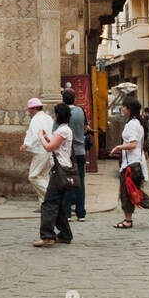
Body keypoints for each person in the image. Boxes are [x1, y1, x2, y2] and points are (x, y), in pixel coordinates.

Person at [112, 96, 149, 230]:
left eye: (124, 107)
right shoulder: (135, 123)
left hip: (131, 164)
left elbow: (133, 144)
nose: (122, 109)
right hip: (134, 162)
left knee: (132, 191)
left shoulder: (132, 124)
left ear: (129, 109)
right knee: (129, 192)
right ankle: (128, 220)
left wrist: (118, 147)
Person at [34, 101, 75, 247]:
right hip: (61, 170)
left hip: (59, 172)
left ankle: (47, 236)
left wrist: (40, 137)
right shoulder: (64, 130)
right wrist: (46, 136)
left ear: (58, 115)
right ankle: (65, 234)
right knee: (59, 205)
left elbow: (50, 147)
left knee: (48, 204)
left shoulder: (63, 131)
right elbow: (54, 144)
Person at [61, 90, 88, 220]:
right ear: (75, 99)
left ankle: (67, 213)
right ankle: (81, 212)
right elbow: (85, 128)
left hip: (68, 152)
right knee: (80, 182)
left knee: (67, 182)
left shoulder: (63, 112)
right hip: (80, 150)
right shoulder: (80, 111)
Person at [21, 98, 53, 203]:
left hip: (41, 151)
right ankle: (45, 203)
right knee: (44, 176)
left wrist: (26, 145)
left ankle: (52, 197)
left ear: (33, 108)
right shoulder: (48, 118)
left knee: (33, 176)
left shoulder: (36, 119)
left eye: (30, 109)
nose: (29, 111)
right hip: (48, 150)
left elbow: (36, 135)